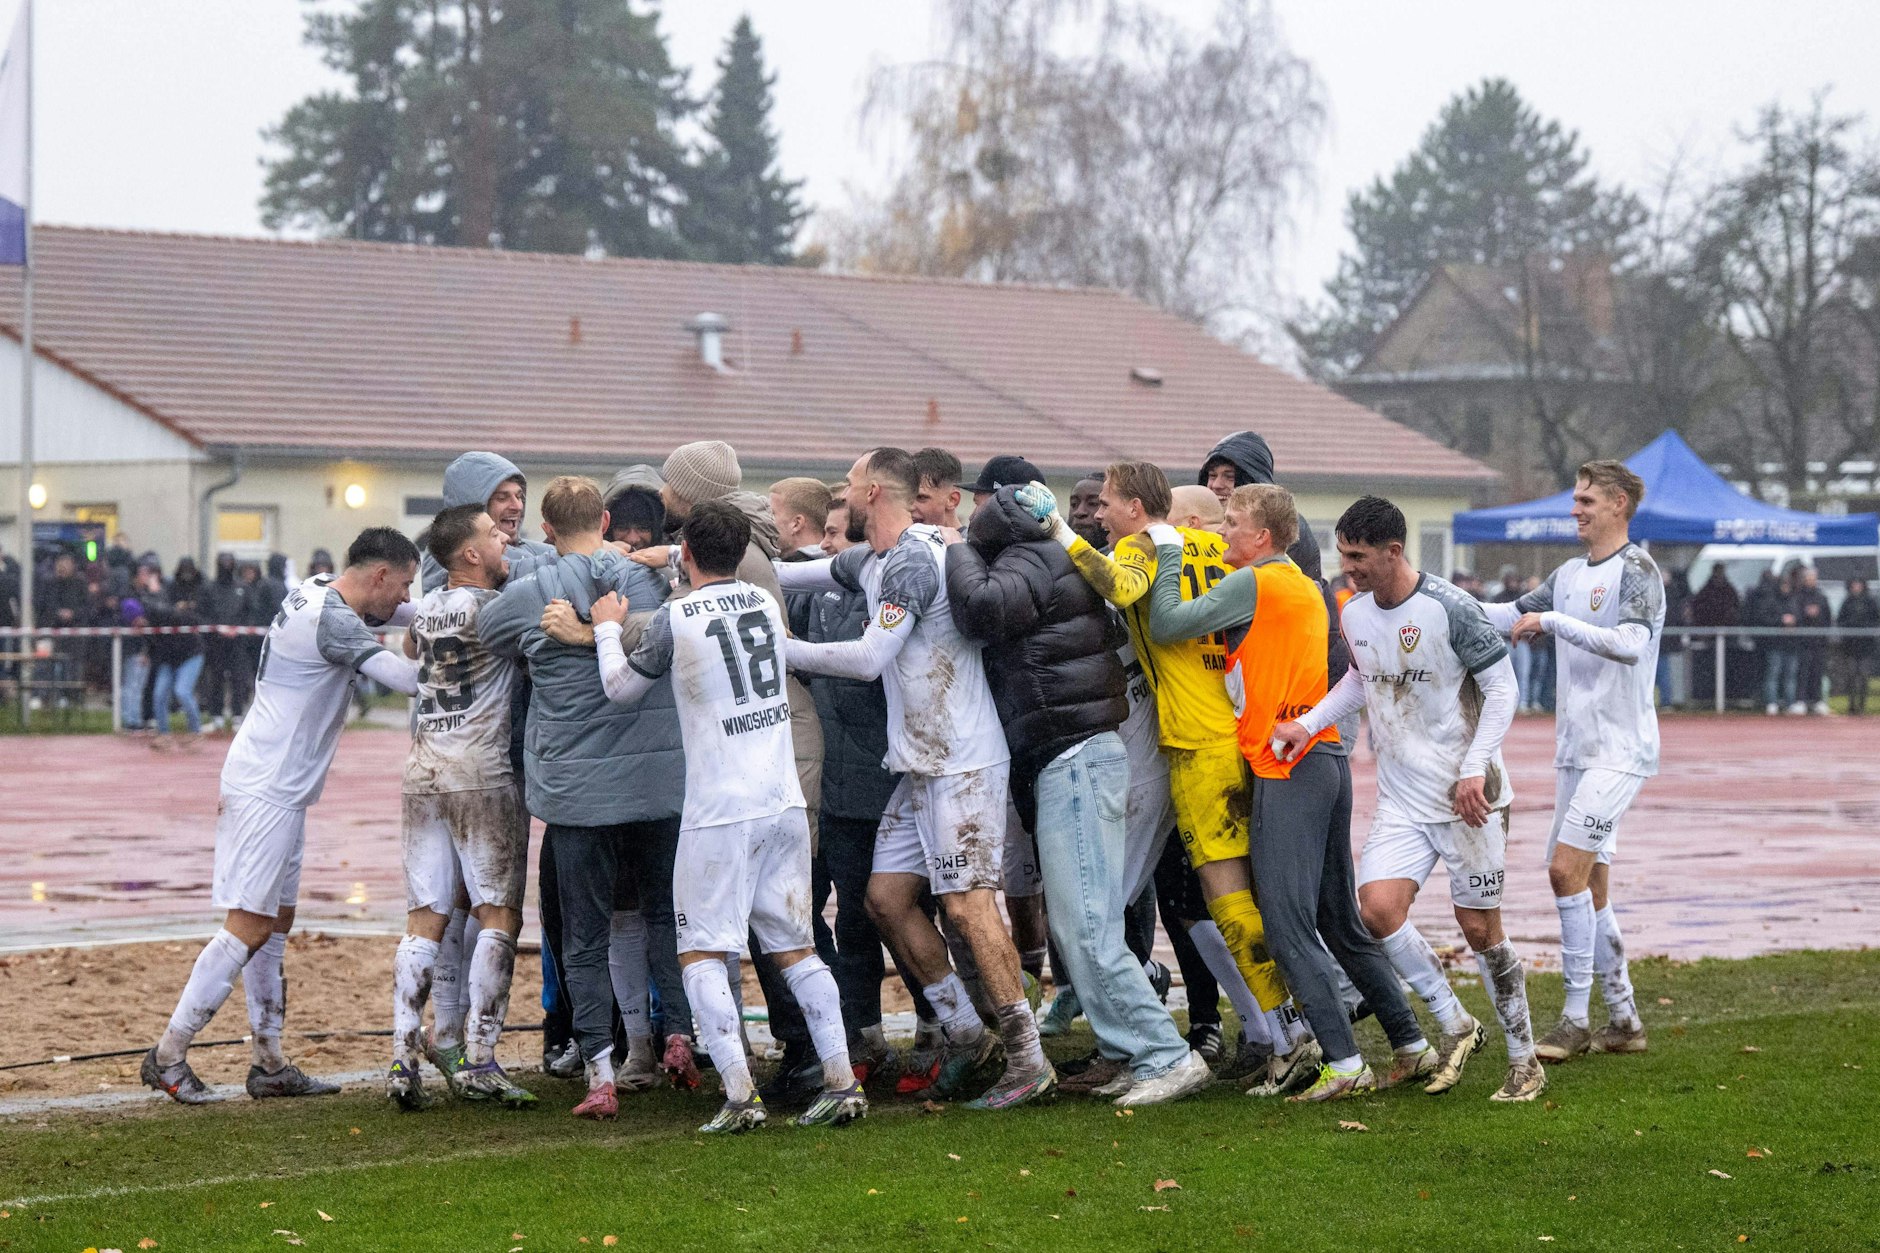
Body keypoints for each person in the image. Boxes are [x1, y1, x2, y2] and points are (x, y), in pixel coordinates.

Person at [780, 447, 1055, 1111]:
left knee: (968, 905)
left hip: (961, 760)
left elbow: (870, 657)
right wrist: (697, 570)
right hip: (920, 763)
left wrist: (778, 649)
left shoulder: (911, 558)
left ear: (873, 492)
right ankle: (968, 1035)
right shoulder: (873, 558)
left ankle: (1028, 1058)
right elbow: (798, 573)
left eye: (850, 484)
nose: (842, 494)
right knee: (885, 899)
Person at [1034, 461, 1315, 1094]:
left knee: (1226, 901)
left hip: (1194, 744)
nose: (1098, 515)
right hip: (1239, 733)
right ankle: (1287, 1027)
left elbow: (1120, 586)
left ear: (1144, 511)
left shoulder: (1149, 546)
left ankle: (1291, 1036)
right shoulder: (1223, 552)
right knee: (1244, 898)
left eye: (1106, 504)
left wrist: (1058, 531)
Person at [1144, 485, 1431, 1102]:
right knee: (1339, 922)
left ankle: (1344, 1064)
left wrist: (1168, 549)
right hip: (1323, 758)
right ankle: (1412, 1043)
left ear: (1263, 537)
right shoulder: (1304, 584)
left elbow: (1166, 624)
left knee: (1286, 924)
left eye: (1232, 522)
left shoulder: (1257, 582)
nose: (1222, 531)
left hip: (1287, 765)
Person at [593, 500, 866, 1133]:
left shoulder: (675, 617)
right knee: (797, 949)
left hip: (720, 810)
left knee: (700, 953)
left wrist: (606, 629)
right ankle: (841, 1081)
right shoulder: (764, 601)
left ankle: (741, 1097)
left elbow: (619, 689)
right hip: (782, 801)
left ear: (686, 551)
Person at [1276, 494, 1544, 1102]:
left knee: (1480, 930)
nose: (1347, 568)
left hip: (1468, 798)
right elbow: (1359, 680)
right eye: (1343, 555)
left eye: (1358, 557)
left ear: (1394, 551)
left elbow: (1503, 689)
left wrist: (1474, 768)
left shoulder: (1452, 608)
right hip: (1401, 799)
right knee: (1376, 911)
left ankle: (1524, 1060)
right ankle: (1456, 1023)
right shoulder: (1354, 613)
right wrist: (1307, 724)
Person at [950, 484, 1211, 1107]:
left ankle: (1165, 1054)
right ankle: (1129, 1051)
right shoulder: (1050, 558)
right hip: (1076, 756)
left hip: (1075, 758)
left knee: (1087, 927)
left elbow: (980, 608)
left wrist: (952, 548)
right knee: (1080, 927)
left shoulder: (1031, 559)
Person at [143, 528, 421, 1104]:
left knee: (276, 921)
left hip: (280, 787)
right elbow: (405, 681)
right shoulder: (333, 618)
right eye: (403, 585)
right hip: (265, 786)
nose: (404, 597)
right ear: (378, 576)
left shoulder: (321, 587)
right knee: (248, 924)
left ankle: (268, 1062)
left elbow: (408, 613)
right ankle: (168, 1054)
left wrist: (455, 611)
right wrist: (473, 662)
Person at [482, 476, 689, 1117]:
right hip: (659, 784)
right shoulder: (647, 582)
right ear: (604, 520)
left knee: (585, 936)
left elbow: (488, 631)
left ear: (546, 530)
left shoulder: (530, 591)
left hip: (577, 792)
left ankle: (600, 1072)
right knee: (667, 918)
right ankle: (680, 1037)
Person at [1482, 459, 1664, 1062]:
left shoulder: (1637, 569)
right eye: (1576, 499)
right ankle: (1625, 1021)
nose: (1575, 509)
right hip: (1576, 751)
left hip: (1621, 751)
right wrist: (1429, 600)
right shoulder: (1566, 574)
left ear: (1618, 504)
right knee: (1591, 886)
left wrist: (1555, 622)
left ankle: (1574, 1019)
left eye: (1586, 500)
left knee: (1565, 872)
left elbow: (1632, 645)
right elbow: (1507, 615)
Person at [387, 506, 536, 1110]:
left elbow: (410, 645)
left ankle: (402, 1059)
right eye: (494, 534)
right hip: (480, 772)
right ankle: (480, 1059)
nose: (506, 540)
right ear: (470, 554)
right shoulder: (496, 609)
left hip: (422, 770)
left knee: (424, 918)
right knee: (498, 915)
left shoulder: (426, 609)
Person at [803, 494, 906, 1088]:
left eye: (836, 535)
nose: (826, 546)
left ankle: (937, 1027)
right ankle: (863, 1031)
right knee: (847, 919)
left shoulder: (889, 595)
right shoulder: (822, 596)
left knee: (892, 913)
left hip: (881, 782)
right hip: (835, 788)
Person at [1198, 430, 1323, 579]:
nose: (1216, 485)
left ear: (1251, 479)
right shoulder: (1196, 521)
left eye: (1229, 476)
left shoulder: (1280, 523)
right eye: (1212, 475)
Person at [147, 561, 206, 748]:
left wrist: (176, 611)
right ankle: (164, 734)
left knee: (182, 691)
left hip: (190, 654)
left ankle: (196, 732)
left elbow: (193, 619)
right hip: (168, 656)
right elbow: (154, 613)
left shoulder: (190, 601)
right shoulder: (156, 603)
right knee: (159, 695)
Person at [199, 553, 252, 732]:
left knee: (238, 679)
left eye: (230, 563)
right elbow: (202, 615)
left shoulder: (242, 588)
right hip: (215, 643)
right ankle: (217, 716)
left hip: (238, 643)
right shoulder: (209, 589)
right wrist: (217, 629)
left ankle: (237, 715)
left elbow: (250, 613)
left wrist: (239, 629)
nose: (226, 566)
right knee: (216, 679)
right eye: (224, 563)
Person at [1745, 570, 1798, 716]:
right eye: (1783, 585)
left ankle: (1790, 703)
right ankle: (1771, 702)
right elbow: (1765, 618)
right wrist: (1781, 620)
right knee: (1773, 674)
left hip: (1791, 644)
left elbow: (1800, 617)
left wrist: (1795, 621)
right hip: (1775, 644)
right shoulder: (1772, 600)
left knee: (1790, 676)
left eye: (1788, 585)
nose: (1786, 588)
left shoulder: (1794, 601)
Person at [1793, 566, 1832, 715]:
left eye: (1813, 578)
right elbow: (1795, 616)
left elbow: (1827, 617)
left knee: (1817, 672)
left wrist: (1818, 617)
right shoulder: (1798, 596)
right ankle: (1800, 701)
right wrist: (1806, 614)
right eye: (1808, 578)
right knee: (1802, 672)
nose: (1811, 580)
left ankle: (1817, 701)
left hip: (1819, 642)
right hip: (1802, 642)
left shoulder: (1821, 597)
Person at [1836, 577, 1878, 714]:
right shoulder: (1847, 602)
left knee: (1864, 676)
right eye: (1854, 584)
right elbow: (1841, 620)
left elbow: (1876, 620)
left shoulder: (1870, 602)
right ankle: (1852, 705)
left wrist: (1866, 629)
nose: (1857, 587)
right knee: (1851, 676)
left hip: (1866, 646)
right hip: (1850, 646)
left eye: (1859, 584)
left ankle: (1862, 706)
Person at [911, 448, 964, 528]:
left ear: (952, 500)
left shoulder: (974, 536)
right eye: (907, 498)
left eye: (921, 498)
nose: (911, 507)